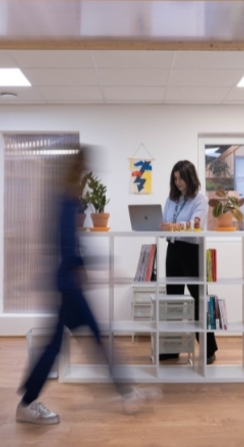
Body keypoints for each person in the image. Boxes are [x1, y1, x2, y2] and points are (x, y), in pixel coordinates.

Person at [17, 148, 161, 425]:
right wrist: (100, 267)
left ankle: (126, 392)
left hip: (66, 284)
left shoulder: (65, 199)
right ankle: (26, 404)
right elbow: (68, 248)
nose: (87, 176)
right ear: (79, 170)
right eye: (86, 171)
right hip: (67, 288)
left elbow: (67, 246)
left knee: (84, 340)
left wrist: (94, 267)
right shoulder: (66, 201)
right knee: (70, 344)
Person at [159, 160, 218, 364]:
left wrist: (174, 226)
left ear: (190, 177)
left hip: (192, 251)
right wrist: (164, 227)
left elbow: (196, 225)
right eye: (175, 179)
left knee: (200, 300)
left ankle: (209, 349)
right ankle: (173, 347)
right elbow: (166, 224)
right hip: (173, 249)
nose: (178, 182)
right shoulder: (171, 200)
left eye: (181, 178)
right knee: (173, 300)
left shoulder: (200, 199)